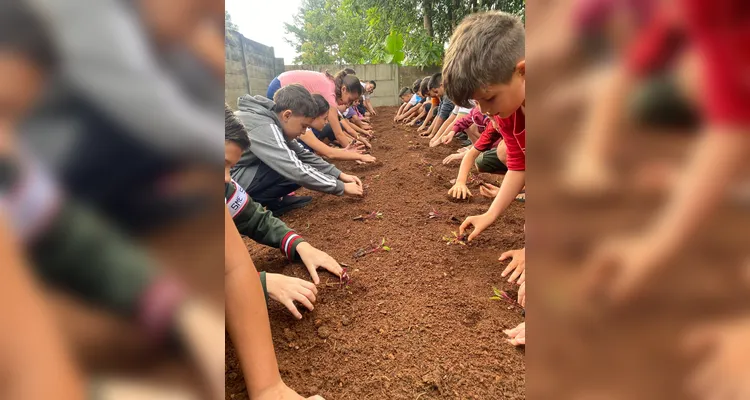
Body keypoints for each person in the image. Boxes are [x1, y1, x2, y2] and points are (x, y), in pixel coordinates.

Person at [442, 11, 526, 346]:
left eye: (488, 98)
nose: (485, 110)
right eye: (478, 102)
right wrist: (489, 214)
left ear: (523, 72)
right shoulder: (508, 112)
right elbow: (519, 164)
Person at [225, 105, 345, 320]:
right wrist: (261, 283)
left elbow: (254, 219)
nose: (228, 178)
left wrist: (299, 245)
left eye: (230, 168)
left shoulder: (224, 187)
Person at [232, 85, 364, 216]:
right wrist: (341, 187)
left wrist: (340, 175)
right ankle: (241, 211)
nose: (302, 132)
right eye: (303, 126)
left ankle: (275, 202)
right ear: (287, 115)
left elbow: (303, 155)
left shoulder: (274, 121)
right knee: (292, 167)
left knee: (297, 162)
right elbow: (293, 168)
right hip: (227, 186)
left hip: (240, 175)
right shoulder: (263, 125)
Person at [267, 69, 363, 148]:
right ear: (344, 89)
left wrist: (357, 137)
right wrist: (355, 154)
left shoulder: (330, 85)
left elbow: (342, 122)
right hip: (279, 87)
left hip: (280, 81)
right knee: (291, 130)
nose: (348, 104)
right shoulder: (330, 92)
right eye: (350, 100)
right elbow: (338, 133)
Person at [298, 96, 376, 163]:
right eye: (325, 119)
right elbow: (330, 153)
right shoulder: (304, 132)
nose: (326, 122)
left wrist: (345, 151)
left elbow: (329, 151)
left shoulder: (306, 129)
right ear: (314, 115)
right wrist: (359, 157)